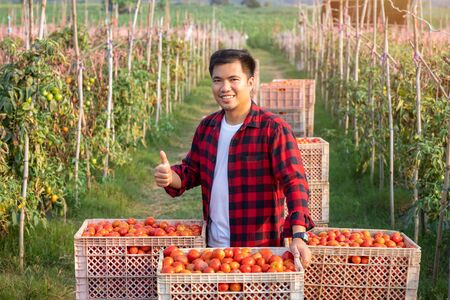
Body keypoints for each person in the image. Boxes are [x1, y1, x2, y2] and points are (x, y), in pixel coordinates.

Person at [154, 49, 314, 267]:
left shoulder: (272, 129)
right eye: (217, 80)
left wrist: (299, 236)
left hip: (259, 252)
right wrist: (169, 176)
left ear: (250, 82)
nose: (225, 88)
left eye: (233, 79)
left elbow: (294, 182)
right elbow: (191, 171)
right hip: (214, 251)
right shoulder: (207, 127)